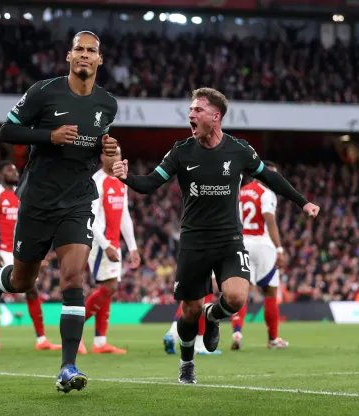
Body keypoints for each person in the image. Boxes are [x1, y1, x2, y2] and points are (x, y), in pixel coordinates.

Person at [112, 87, 319, 384]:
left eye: (198, 110)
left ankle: (213, 316)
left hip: (229, 240)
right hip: (194, 241)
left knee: (236, 297)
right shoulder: (181, 150)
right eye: (191, 110)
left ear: (215, 116)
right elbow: (148, 184)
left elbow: (270, 177)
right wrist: (126, 177)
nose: (191, 114)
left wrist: (303, 201)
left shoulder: (239, 150)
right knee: (189, 310)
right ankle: (187, 363)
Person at [0, 30, 119, 393]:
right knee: (24, 280)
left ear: (99, 60)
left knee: (73, 279)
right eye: (79, 50)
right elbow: (6, 131)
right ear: (69, 56)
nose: (85, 55)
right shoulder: (45, 91)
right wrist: (49, 136)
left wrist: (107, 152)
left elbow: (94, 149)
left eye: (92, 51)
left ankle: (68, 367)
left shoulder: (108, 104)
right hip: (38, 200)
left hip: (78, 200)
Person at [0, 161, 61, 352]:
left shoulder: (24, 193)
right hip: (2, 249)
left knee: (31, 290)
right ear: (0, 174)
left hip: (22, 250)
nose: (14, 172)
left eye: (15, 169)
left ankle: (41, 339)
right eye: (9, 169)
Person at [82, 146, 139, 355]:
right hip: (100, 243)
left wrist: (132, 247)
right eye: (111, 153)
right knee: (110, 286)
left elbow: (124, 215)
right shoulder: (98, 181)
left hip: (114, 243)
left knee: (108, 289)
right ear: (102, 157)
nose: (115, 157)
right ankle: (75, 331)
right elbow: (91, 217)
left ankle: (100, 342)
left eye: (118, 153)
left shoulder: (120, 181)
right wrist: (105, 245)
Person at [231, 161, 289, 350]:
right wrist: (279, 249)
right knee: (271, 292)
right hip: (263, 245)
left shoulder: (241, 191)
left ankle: (237, 332)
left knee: (243, 292)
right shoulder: (267, 193)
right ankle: (272, 339)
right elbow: (270, 221)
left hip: (241, 243)